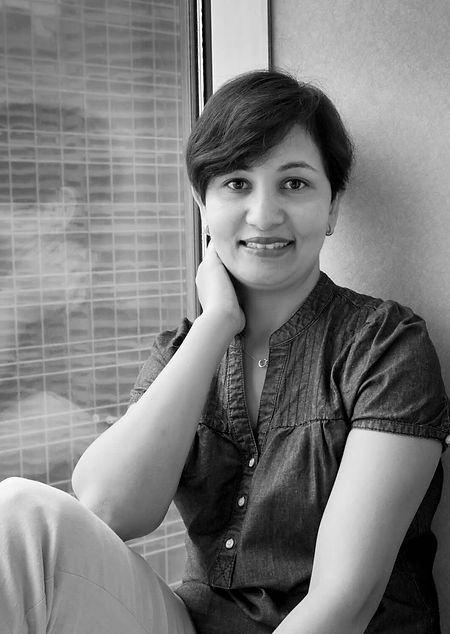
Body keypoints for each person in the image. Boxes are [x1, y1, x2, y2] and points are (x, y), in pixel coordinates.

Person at [1, 69, 449, 634]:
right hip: (194, 624)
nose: (263, 215)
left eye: (295, 184)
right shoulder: (184, 352)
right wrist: (216, 324)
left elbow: (345, 601)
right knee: (19, 515)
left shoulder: (385, 345)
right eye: (237, 183)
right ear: (203, 204)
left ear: (333, 206)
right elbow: (108, 509)